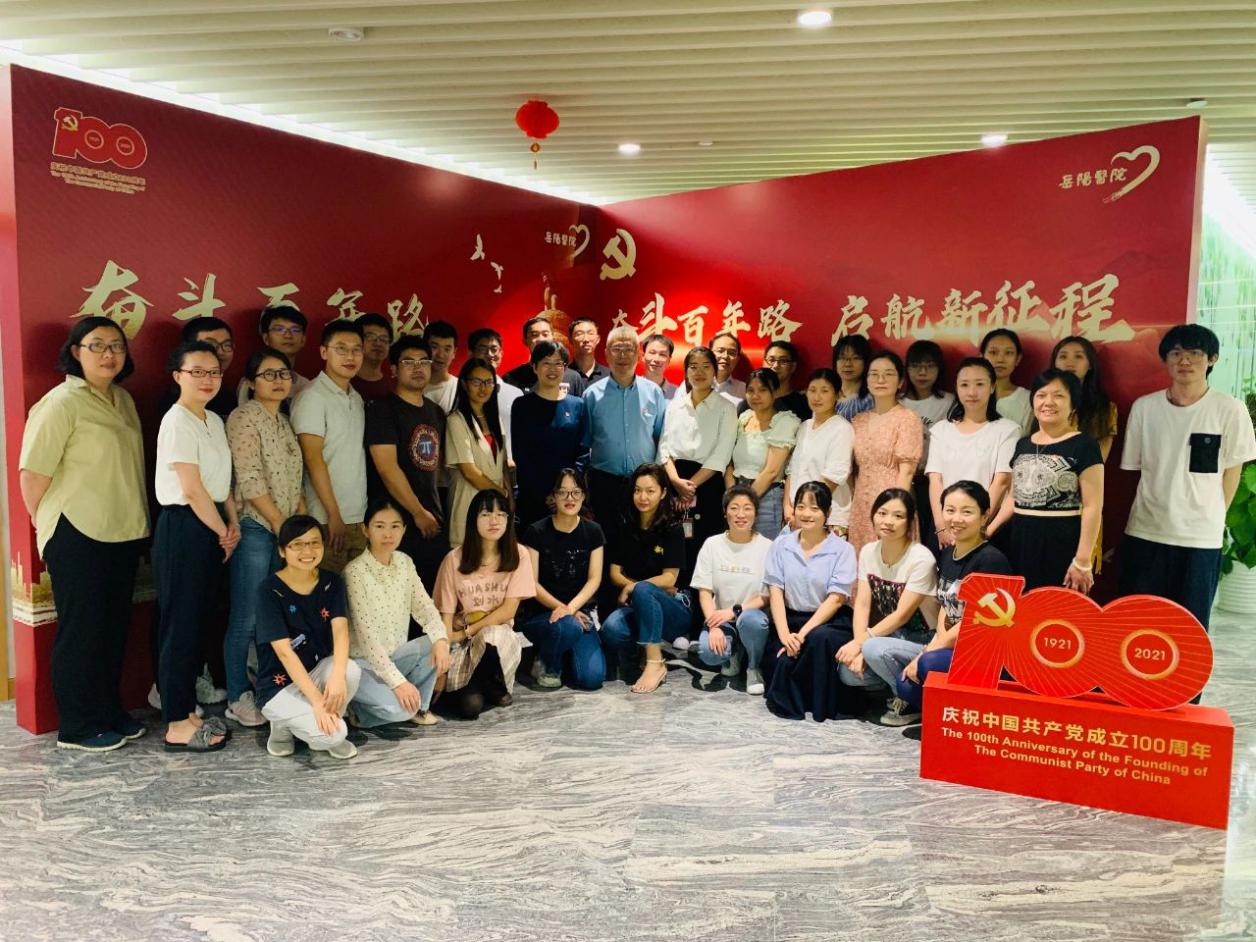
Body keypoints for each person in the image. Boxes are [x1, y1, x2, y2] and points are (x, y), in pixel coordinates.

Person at [18, 317, 149, 752]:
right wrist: (49, 525)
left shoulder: (123, 399)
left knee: (112, 629)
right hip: (77, 531)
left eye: (117, 346)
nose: (109, 354)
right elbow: (32, 475)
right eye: (97, 345)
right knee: (82, 631)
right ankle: (77, 725)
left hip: (123, 530)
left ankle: (108, 712)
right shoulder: (60, 403)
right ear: (76, 352)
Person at [1119, 324, 1256, 632]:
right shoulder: (1145, 408)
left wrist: (1214, 517)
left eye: (1195, 353)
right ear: (1165, 360)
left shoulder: (1230, 409)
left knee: (1189, 628)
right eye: (1176, 353)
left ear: (1212, 359)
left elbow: (1233, 470)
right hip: (1146, 530)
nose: (1184, 361)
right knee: (1139, 623)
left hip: (1200, 537)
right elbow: (1137, 468)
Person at [153, 340, 239, 753]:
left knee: (198, 622)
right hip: (184, 526)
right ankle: (176, 722)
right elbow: (190, 488)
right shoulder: (177, 421)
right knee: (180, 626)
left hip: (212, 523)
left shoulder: (214, 420)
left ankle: (188, 712)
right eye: (197, 372)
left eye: (214, 372)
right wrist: (223, 530)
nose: (207, 379)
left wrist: (232, 523)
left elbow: (222, 482)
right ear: (178, 376)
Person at [223, 347, 305, 728]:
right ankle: (237, 694)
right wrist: (280, 524)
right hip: (258, 527)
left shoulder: (284, 421)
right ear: (251, 382)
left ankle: (268, 688)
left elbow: (295, 480)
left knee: (273, 616)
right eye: (269, 374)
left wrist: (298, 524)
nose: (278, 381)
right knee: (246, 616)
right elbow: (250, 478)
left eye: (284, 374)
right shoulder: (243, 418)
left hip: (282, 531)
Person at [895, 481, 1013, 722]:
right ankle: (954, 718)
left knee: (928, 664)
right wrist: (939, 640)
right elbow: (946, 605)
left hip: (984, 652)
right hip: (954, 645)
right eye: (950, 510)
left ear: (984, 516)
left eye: (966, 512)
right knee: (905, 685)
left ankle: (974, 718)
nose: (956, 518)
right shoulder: (949, 553)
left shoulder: (991, 561)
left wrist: (929, 651)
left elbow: (975, 622)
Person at [255, 515, 361, 759]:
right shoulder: (269, 590)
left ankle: (328, 723)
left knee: (350, 671)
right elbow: (284, 652)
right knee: (334, 735)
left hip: (316, 672)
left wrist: (336, 678)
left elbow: (341, 632)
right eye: (298, 545)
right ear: (282, 551)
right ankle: (282, 725)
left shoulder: (331, 582)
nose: (308, 551)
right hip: (279, 685)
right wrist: (317, 702)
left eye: (314, 543)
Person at [994, 369, 1104, 592]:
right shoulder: (1023, 444)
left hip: (1062, 542)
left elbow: (1093, 506)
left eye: (1059, 396)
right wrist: (987, 531)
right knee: (1020, 605)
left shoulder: (1084, 445)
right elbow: (1013, 498)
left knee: (1056, 608)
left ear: (1073, 404)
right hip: (1020, 540)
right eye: (1041, 395)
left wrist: (1082, 560)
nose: (1048, 402)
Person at [345, 498, 450, 727]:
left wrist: (441, 640)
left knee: (438, 641)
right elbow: (368, 641)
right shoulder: (354, 573)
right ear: (366, 530)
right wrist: (398, 683)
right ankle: (359, 710)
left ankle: (419, 708)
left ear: (403, 530)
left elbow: (425, 607)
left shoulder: (404, 563)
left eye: (395, 526)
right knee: (399, 712)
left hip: (397, 658)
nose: (388, 534)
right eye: (379, 526)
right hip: (365, 665)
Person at [433, 489, 536, 719]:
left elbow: (508, 611)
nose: (494, 521)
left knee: (492, 636)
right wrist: (445, 658)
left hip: (497, 639)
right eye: (486, 514)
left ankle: (493, 681)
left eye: (501, 514)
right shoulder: (454, 559)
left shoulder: (519, 555)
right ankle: (479, 685)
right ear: (473, 519)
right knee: (470, 708)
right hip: (462, 645)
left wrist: (467, 631)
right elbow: (445, 616)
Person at [839, 488, 938, 725]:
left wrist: (861, 644)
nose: (888, 521)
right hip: (890, 636)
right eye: (882, 513)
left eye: (898, 516)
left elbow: (902, 615)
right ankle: (900, 687)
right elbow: (862, 604)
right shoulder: (868, 551)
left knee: (874, 649)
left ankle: (911, 700)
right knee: (847, 672)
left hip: (924, 640)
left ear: (909, 522)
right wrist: (859, 646)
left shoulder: (921, 558)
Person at [763, 482, 861, 722]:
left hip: (828, 621)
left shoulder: (843, 550)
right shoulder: (781, 545)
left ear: (827, 513)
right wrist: (785, 634)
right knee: (781, 661)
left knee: (818, 640)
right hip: (789, 619)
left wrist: (801, 635)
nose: (806, 513)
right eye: (801, 506)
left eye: (815, 508)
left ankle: (820, 703)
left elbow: (836, 600)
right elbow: (775, 592)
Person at [366, 335, 449, 591]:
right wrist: (417, 512)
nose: (418, 367)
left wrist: (431, 513)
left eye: (423, 361)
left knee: (431, 595)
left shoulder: (435, 411)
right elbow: (386, 468)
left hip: (432, 519)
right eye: (408, 362)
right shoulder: (382, 409)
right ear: (393, 369)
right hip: (395, 521)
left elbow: (437, 469)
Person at [598, 464, 689, 694]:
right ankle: (642, 648)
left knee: (643, 590)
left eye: (650, 491)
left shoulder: (673, 528)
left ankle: (655, 663)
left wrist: (635, 587)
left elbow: (670, 578)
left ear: (663, 492)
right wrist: (633, 588)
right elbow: (614, 572)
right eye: (638, 490)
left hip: (672, 609)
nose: (643, 497)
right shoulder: (625, 526)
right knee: (611, 631)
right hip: (637, 606)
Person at [517, 469, 607, 690]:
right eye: (563, 492)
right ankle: (547, 662)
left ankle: (559, 651)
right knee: (567, 627)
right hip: (541, 615)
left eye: (576, 492)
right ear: (553, 496)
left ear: (583, 496)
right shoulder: (536, 531)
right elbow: (532, 583)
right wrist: (566, 611)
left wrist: (572, 609)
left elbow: (594, 579)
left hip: (578, 614)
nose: (570, 498)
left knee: (592, 679)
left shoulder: (593, 531)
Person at [658, 345, 738, 587]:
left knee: (703, 543)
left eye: (706, 366)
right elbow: (664, 449)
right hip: (674, 483)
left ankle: (699, 601)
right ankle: (673, 595)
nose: (699, 372)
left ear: (715, 371)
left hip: (707, 483)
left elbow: (721, 455)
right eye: (693, 367)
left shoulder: (726, 408)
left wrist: (690, 487)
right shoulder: (675, 405)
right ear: (685, 372)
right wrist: (675, 482)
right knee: (671, 542)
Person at [292, 319, 368, 573]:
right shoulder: (312, 397)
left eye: (356, 350)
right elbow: (313, 458)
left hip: (357, 516)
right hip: (325, 519)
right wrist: (333, 514)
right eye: (341, 349)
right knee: (325, 591)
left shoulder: (355, 397)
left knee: (355, 594)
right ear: (324, 352)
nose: (350, 356)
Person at [924, 358, 1019, 549]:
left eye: (980, 384)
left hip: (983, 528)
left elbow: (1001, 483)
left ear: (992, 387)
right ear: (956, 388)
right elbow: (935, 481)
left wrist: (977, 527)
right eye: (965, 385)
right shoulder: (941, 430)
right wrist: (941, 526)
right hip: (944, 528)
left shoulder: (1007, 430)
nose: (972, 392)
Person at [582, 325, 667, 534]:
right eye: (616, 349)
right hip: (604, 483)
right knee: (606, 539)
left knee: (643, 539)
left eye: (628, 349)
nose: (622, 355)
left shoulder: (654, 393)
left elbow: (661, 438)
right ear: (606, 354)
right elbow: (585, 441)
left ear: (638, 354)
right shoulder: (591, 395)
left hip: (644, 484)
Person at [690, 486, 773, 695]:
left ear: (756, 513)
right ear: (725, 512)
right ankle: (733, 651)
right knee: (708, 653)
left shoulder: (768, 547)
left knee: (750, 621)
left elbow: (767, 596)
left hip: (752, 617)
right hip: (721, 619)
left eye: (747, 508)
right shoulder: (712, 544)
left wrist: (734, 611)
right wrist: (714, 626)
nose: (740, 514)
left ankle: (753, 667)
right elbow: (704, 592)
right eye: (734, 508)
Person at [848, 352, 923, 553]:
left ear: (900, 382)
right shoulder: (858, 420)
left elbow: (907, 471)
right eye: (874, 374)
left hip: (892, 501)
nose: (880, 379)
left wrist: (895, 512)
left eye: (888, 374)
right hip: (861, 505)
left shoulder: (908, 418)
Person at [511, 341, 589, 528]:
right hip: (533, 496)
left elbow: (583, 452)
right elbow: (521, 454)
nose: (552, 369)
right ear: (534, 367)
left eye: (558, 363)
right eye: (546, 363)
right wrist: (546, 493)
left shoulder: (577, 405)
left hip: (570, 496)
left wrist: (565, 491)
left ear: (565, 368)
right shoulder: (522, 405)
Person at [727, 367, 800, 540]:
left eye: (762, 390)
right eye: (750, 390)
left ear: (775, 392)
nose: (755, 396)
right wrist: (731, 496)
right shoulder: (744, 418)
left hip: (767, 498)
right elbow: (728, 461)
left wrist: (743, 502)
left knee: (764, 551)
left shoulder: (785, 421)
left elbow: (771, 471)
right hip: (737, 492)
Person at [446, 358, 510, 547]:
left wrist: (508, 498)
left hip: (496, 507)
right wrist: (501, 495)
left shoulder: (495, 419)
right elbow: (469, 472)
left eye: (488, 382)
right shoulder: (456, 420)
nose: (483, 388)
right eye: (476, 382)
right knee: (467, 554)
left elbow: (503, 464)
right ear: (464, 384)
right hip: (469, 499)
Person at [899, 340, 954, 554]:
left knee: (930, 543)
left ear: (940, 369)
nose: (923, 372)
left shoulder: (948, 401)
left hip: (933, 483)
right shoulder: (898, 402)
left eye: (930, 366)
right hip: (902, 479)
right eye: (916, 366)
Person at [784, 368, 854, 535]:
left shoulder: (842, 429)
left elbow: (832, 479)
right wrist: (788, 506)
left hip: (828, 517)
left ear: (837, 395)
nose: (817, 397)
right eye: (812, 390)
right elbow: (792, 471)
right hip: (796, 516)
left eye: (824, 391)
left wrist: (806, 511)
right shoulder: (804, 426)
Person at [158, 316, 237, 421]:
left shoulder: (228, 397)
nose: (220, 352)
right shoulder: (174, 405)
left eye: (227, 345)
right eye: (210, 345)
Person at [1051, 335, 1117, 460]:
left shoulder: (1104, 409)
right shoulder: (1042, 403)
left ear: (1090, 364)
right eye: (1063, 357)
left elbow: (1098, 460)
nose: (1070, 363)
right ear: (1054, 364)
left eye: (1078, 356)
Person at [238, 305, 312, 406]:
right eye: (279, 329)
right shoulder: (252, 382)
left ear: (303, 340)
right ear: (266, 338)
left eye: (295, 330)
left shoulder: (305, 385)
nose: (288, 335)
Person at [469, 327, 523, 457]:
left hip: (510, 463)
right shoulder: (462, 389)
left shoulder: (515, 394)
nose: (489, 354)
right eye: (483, 349)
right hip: (472, 463)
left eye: (494, 349)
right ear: (471, 354)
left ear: (501, 353)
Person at [502, 315, 585, 395]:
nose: (541, 339)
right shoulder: (510, 379)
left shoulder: (572, 377)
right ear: (525, 341)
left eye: (545, 334)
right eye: (535, 335)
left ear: (553, 338)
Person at [981, 328, 1032, 434]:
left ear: (1018, 359)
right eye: (993, 352)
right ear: (982, 357)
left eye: (1008, 353)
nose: (1000, 359)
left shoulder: (1028, 399)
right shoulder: (970, 395)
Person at [350, 312, 394, 401]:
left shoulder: (394, 386)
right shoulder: (345, 382)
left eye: (384, 338)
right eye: (370, 337)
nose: (378, 343)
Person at [761, 340, 810, 420]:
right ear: (763, 363)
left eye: (783, 361)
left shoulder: (804, 404)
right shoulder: (753, 400)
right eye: (771, 360)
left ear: (793, 367)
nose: (776, 366)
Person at [832, 335, 874, 422]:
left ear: (866, 362)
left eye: (855, 358)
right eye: (842, 358)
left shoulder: (868, 400)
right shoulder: (827, 393)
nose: (848, 364)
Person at [422, 320, 460, 414]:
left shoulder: (459, 389)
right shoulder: (411, 384)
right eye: (434, 347)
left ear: (454, 353)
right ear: (424, 348)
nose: (441, 355)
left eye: (447, 349)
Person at [570, 317, 610, 384]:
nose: (586, 339)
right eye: (579, 334)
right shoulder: (563, 375)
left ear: (598, 339)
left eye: (590, 333)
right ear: (570, 340)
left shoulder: (610, 377)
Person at [640, 332, 679, 399]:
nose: (656, 359)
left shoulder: (677, 394)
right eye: (652, 353)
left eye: (662, 354)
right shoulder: (630, 388)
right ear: (643, 356)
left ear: (669, 360)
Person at [711, 331, 746, 403]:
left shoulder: (744, 390)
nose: (725, 356)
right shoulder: (694, 384)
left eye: (731, 353)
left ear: (737, 359)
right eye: (720, 351)